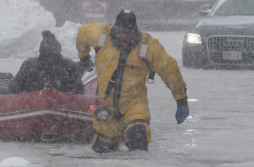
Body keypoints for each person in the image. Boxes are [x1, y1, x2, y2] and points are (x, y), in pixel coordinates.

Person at [76, 10, 189, 153]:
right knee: (103, 150)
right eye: (120, 33)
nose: (123, 37)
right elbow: (82, 34)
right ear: (115, 29)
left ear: (135, 31)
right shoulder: (100, 35)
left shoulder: (149, 46)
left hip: (134, 103)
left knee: (139, 136)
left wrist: (181, 100)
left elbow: (170, 72)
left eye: (128, 34)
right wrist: (83, 57)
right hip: (106, 105)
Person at [9, 30, 84, 94]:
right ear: (59, 51)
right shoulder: (69, 66)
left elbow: (14, 89)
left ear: (41, 51)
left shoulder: (29, 65)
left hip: (32, 106)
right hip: (63, 106)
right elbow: (80, 91)